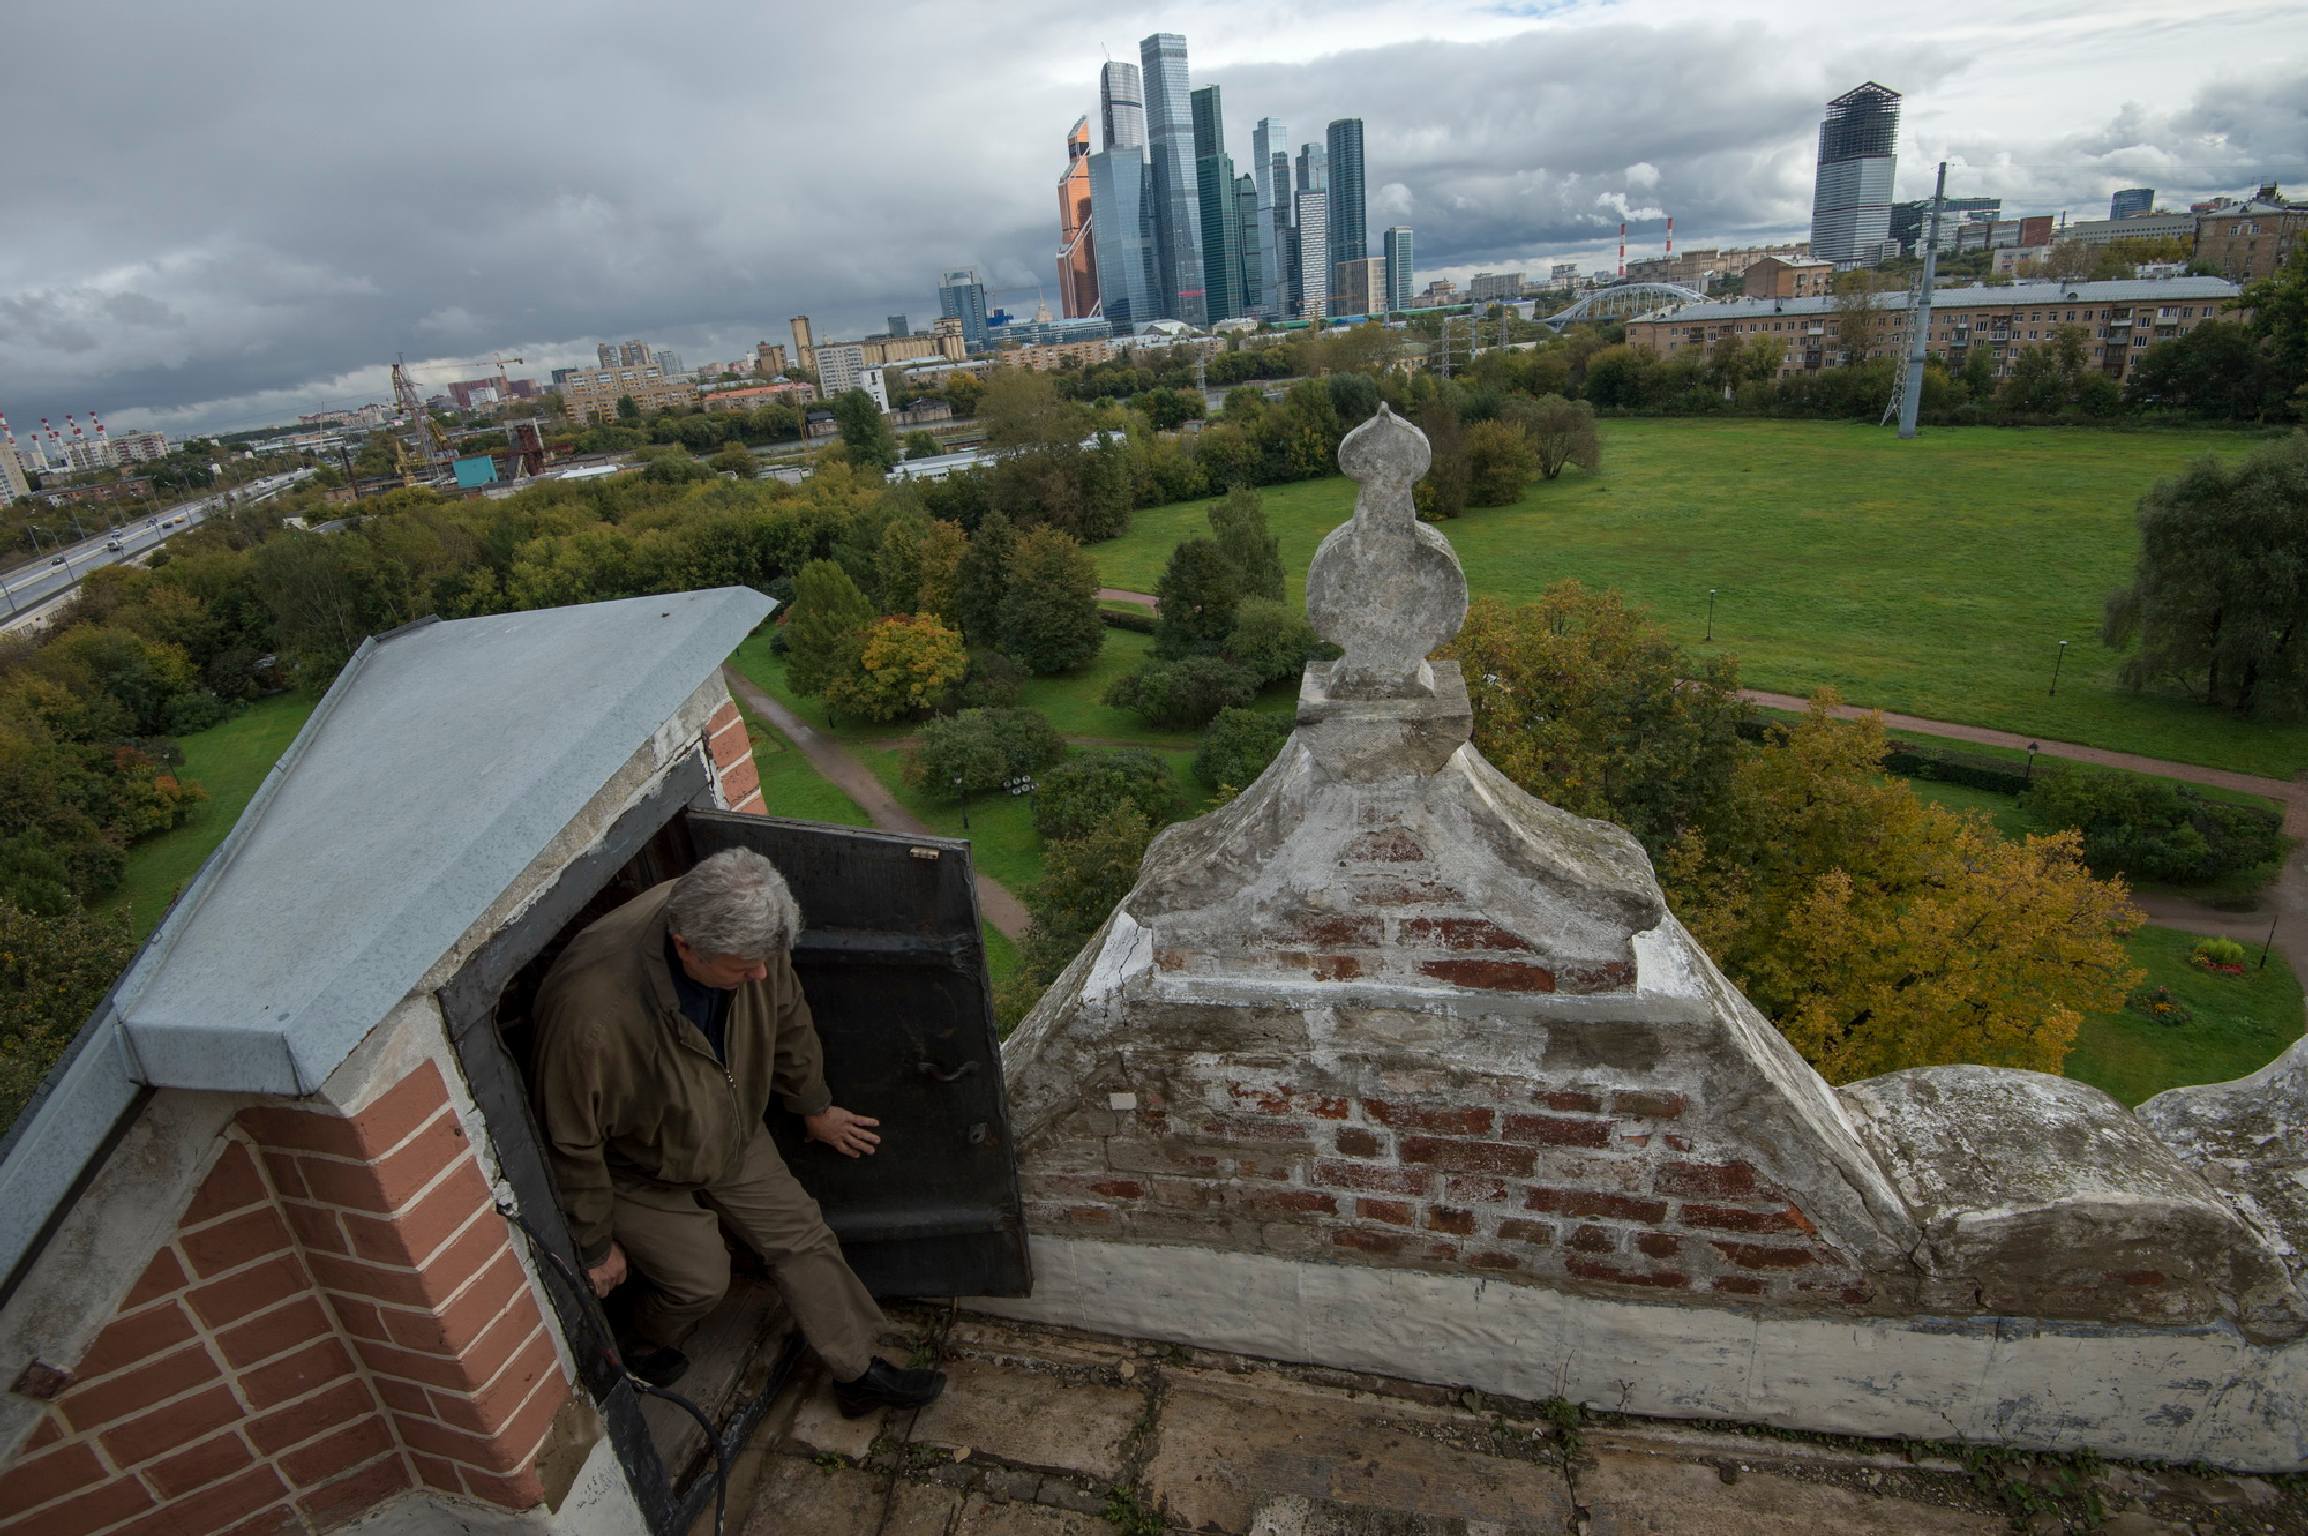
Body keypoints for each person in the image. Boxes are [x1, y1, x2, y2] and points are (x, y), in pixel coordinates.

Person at [531, 847, 944, 1416]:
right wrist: (594, 1245)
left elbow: (788, 1015)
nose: (761, 976)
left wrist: (812, 1104)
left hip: (729, 1129)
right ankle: (638, 1342)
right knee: (700, 1282)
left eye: (766, 961)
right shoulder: (590, 1019)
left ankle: (857, 1373)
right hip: (636, 1167)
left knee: (802, 1236)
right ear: (686, 947)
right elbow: (570, 1141)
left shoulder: (748, 931)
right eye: (744, 968)